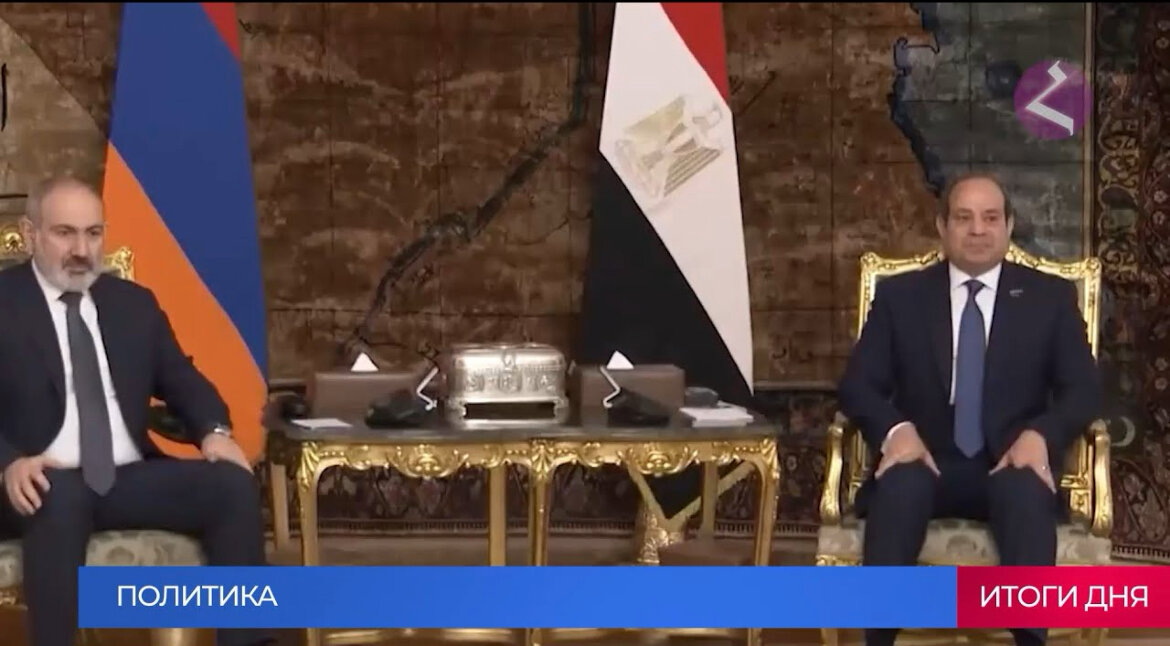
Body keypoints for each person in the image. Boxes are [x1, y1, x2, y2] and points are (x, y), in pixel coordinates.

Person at [0, 176, 272, 646]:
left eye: (93, 233)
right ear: (30, 234)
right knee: (59, 495)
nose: (81, 250)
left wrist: (213, 431)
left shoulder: (133, 305)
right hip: (32, 482)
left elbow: (183, 380)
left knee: (231, 486)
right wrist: (8, 462)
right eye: (65, 233)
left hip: (123, 478)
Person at [837, 172, 1102, 646]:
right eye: (963, 218)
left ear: (1009, 226)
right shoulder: (901, 297)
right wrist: (896, 430)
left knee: (1025, 497)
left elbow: (1084, 390)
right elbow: (857, 386)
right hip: (926, 458)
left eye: (990, 218)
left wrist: (1041, 434)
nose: (978, 230)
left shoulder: (1049, 298)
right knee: (898, 491)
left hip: (1009, 461)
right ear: (942, 227)